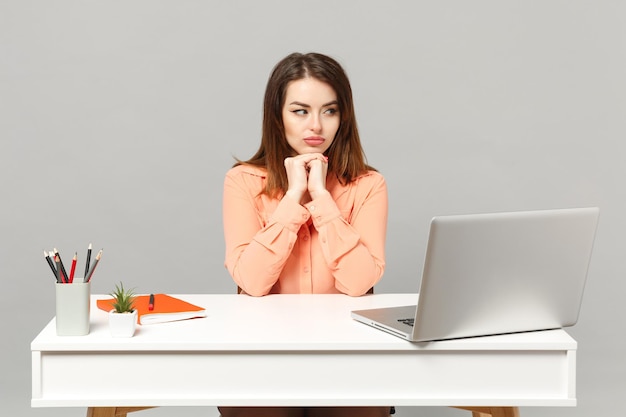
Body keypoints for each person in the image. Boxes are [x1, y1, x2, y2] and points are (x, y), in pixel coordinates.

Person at [221, 52, 389, 417]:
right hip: (264, 353)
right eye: (300, 111)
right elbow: (251, 281)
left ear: (343, 117)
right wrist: (294, 196)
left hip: (348, 355)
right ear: (277, 117)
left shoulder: (368, 185)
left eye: (329, 111)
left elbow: (359, 282)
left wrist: (323, 199)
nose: (316, 125)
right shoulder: (243, 182)